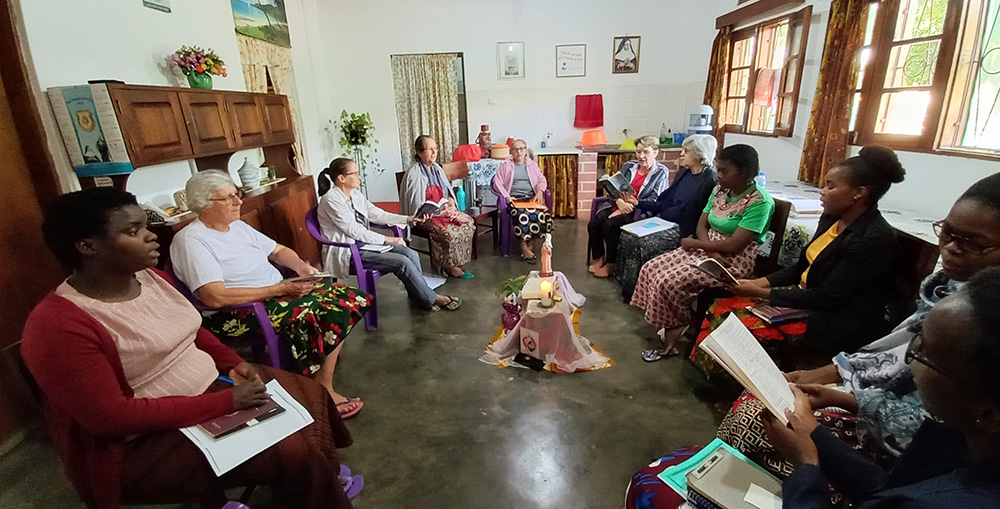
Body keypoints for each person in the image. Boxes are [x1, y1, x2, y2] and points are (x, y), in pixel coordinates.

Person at [21, 188, 355, 509]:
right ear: (87, 246)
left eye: (146, 227)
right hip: (145, 441)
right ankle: (315, 486)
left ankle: (310, 487)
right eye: (134, 231)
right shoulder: (58, 325)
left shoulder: (151, 279)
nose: (151, 237)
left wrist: (233, 363)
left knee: (310, 396)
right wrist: (224, 402)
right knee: (297, 451)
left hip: (213, 389)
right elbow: (111, 417)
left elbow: (194, 330)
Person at [717, 172, 1000, 478]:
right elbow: (891, 350)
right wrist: (825, 377)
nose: (952, 248)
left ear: (859, 192)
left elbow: (925, 423)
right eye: (946, 233)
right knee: (760, 397)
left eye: (973, 243)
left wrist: (840, 406)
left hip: (842, 332)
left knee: (756, 416)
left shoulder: (970, 319)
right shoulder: (941, 286)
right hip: (867, 390)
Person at [765, 268, 1000, 507]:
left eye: (925, 353)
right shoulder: (965, 436)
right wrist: (813, 434)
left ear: (988, 412)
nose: (910, 359)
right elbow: (890, 488)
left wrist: (806, 467)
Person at [170, 170, 368, 418]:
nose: (238, 201)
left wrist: (300, 267)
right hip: (238, 311)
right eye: (229, 197)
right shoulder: (191, 240)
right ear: (205, 204)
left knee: (346, 296)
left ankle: (319, 379)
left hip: (275, 295)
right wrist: (281, 289)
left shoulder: (238, 227)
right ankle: (320, 388)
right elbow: (214, 297)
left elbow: (278, 251)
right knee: (315, 311)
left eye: (237, 194)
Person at [695, 146, 906, 372]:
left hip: (835, 320)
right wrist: (756, 284)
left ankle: (750, 387)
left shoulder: (872, 239)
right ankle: (728, 379)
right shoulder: (832, 219)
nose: (822, 192)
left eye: (830, 186)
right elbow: (802, 267)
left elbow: (826, 298)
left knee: (730, 316)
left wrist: (756, 292)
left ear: (859, 192)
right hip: (809, 297)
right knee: (722, 308)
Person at [632, 144, 774, 361]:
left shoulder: (759, 202)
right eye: (718, 169)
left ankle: (673, 333)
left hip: (733, 260)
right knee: (651, 268)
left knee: (669, 281)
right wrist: (705, 247)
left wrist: (703, 248)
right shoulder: (719, 191)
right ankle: (671, 322)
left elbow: (736, 245)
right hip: (708, 247)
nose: (719, 175)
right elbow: (702, 225)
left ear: (744, 173)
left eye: (725, 171)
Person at [317, 157, 462, 311]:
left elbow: (378, 214)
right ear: (341, 178)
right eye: (356, 173)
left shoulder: (355, 195)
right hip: (349, 251)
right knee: (401, 262)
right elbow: (354, 231)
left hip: (364, 245)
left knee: (410, 253)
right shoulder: (331, 200)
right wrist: (387, 239)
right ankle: (432, 298)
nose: (360, 177)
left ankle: (419, 296)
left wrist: (409, 218)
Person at [587, 135, 670, 277]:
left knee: (610, 225)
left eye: (646, 152)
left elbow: (655, 199)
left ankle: (611, 264)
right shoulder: (628, 166)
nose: (641, 156)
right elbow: (614, 188)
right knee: (594, 223)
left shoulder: (661, 172)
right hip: (619, 204)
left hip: (639, 210)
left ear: (655, 153)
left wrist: (628, 207)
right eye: (638, 152)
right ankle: (598, 258)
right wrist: (619, 202)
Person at [400, 135, 475, 279]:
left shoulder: (437, 169)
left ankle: (457, 262)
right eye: (430, 149)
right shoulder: (413, 174)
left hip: (443, 211)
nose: (434, 153)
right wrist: (433, 213)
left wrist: (451, 204)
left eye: (435, 149)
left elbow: (447, 192)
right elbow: (414, 207)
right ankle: (448, 266)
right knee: (448, 232)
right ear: (420, 152)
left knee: (468, 224)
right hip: (427, 217)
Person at [638, 134, 719, 239]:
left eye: (686, 151)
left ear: (699, 155)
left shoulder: (710, 180)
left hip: (687, 229)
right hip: (666, 221)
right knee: (628, 236)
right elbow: (667, 202)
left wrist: (663, 215)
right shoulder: (684, 174)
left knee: (644, 241)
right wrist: (638, 203)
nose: (681, 154)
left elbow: (694, 215)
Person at [491, 139, 553, 262]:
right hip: (514, 200)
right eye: (515, 149)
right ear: (511, 151)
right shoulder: (506, 165)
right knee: (521, 215)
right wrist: (507, 196)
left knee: (539, 214)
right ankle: (524, 246)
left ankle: (530, 246)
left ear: (525, 150)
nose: (519, 152)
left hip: (531, 198)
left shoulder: (532, 165)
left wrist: (540, 191)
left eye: (521, 149)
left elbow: (542, 179)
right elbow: (496, 182)